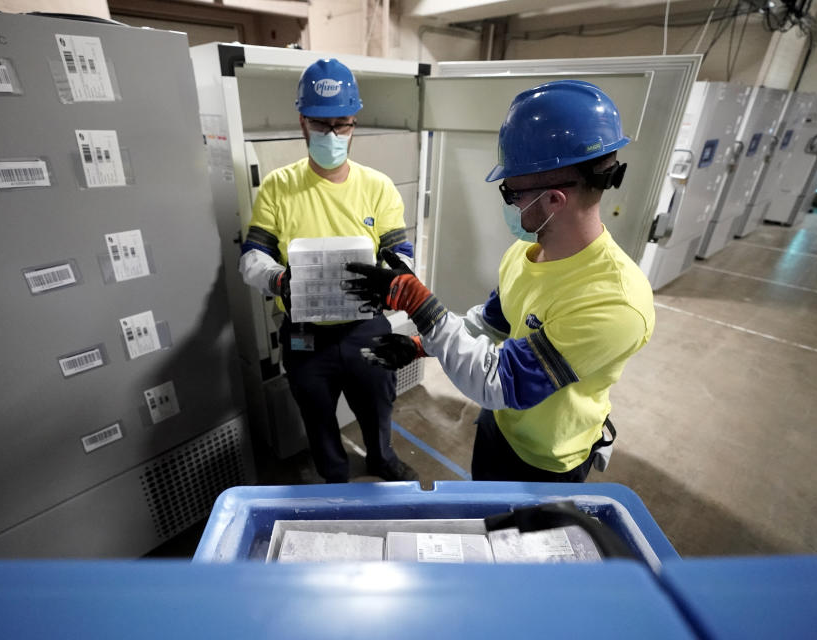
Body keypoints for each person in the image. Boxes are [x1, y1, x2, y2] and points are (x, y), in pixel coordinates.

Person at [345, 80, 655, 482]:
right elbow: (490, 324)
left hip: (546, 461)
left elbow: (498, 381)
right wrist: (418, 345)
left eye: (511, 192)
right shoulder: (525, 253)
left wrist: (422, 308)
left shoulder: (615, 303)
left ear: (553, 200)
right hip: (500, 427)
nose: (508, 204)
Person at [238, 58, 418, 483]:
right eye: (322, 125)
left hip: (365, 326)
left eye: (343, 124)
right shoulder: (279, 186)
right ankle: (334, 477)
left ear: (354, 123)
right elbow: (252, 256)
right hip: (305, 332)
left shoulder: (377, 186)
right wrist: (278, 279)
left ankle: (382, 458)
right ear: (302, 123)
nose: (333, 135)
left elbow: (401, 251)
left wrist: (391, 279)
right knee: (318, 417)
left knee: (377, 404)